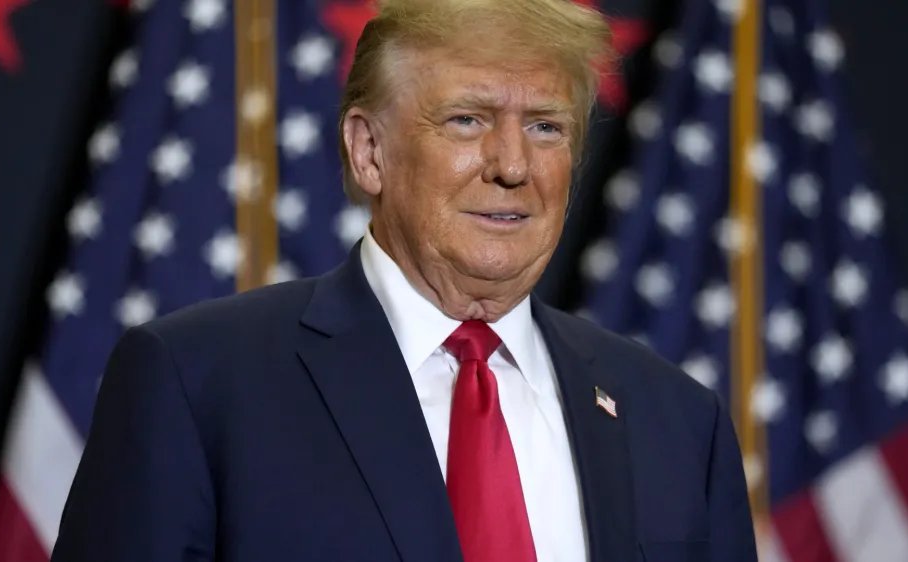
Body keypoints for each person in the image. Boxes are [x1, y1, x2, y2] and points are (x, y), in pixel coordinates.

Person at [51, 0, 757, 560]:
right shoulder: (197, 383)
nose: (512, 164)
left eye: (546, 127)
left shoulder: (679, 422)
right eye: (467, 120)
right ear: (369, 152)